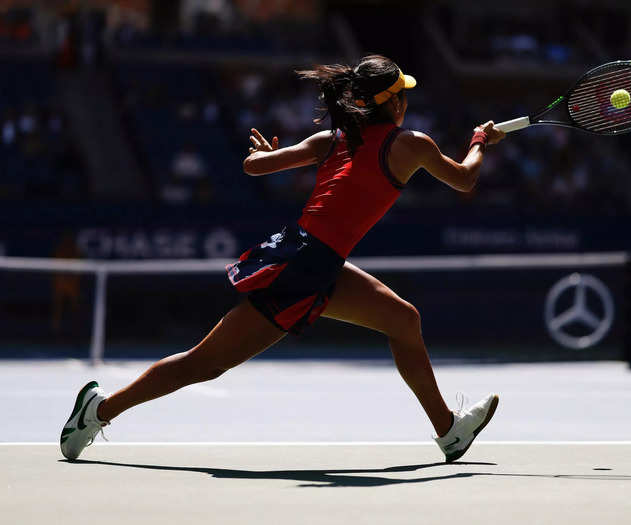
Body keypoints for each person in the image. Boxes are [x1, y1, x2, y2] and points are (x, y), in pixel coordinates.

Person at [60, 55, 506, 463]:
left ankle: (448, 431)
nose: (407, 101)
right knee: (205, 363)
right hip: (304, 267)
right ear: (394, 104)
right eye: (404, 93)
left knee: (403, 320)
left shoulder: (330, 139)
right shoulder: (412, 143)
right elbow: (465, 179)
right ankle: (98, 411)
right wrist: (481, 139)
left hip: (313, 258)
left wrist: (260, 153)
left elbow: (254, 167)